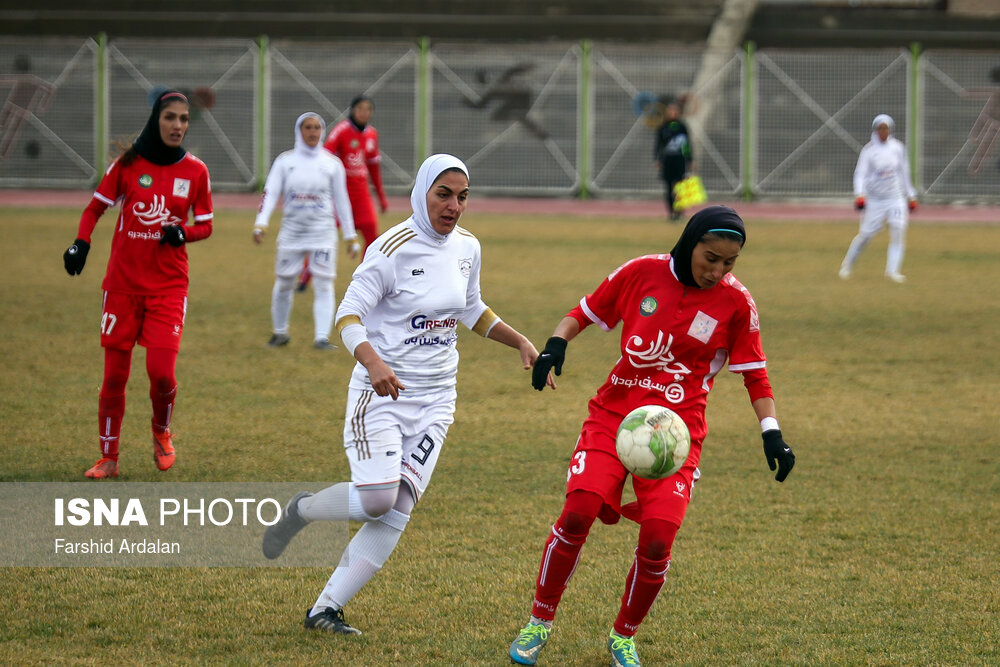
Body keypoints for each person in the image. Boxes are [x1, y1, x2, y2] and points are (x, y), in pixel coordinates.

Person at [261, 154, 549, 635]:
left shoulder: (468, 247)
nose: (454, 206)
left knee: (398, 506)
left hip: (438, 401)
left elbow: (471, 307)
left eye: (462, 197)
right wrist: (373, 363)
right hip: (382, 396)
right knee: (376, 499)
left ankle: (324, 609)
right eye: (443, 194)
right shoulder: (391, 247)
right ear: (421, 193)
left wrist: (519, 340)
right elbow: (348, 316)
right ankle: (304, 509)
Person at [507, 205, 796, 667]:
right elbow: (584, 311)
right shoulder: (642, 272)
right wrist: (556, 343)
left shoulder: (736, 302)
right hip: (613, 416)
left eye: (728, 263)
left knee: (660, 538)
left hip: (677, 434)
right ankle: (539, 620)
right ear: (689, 243)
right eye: (710, 258)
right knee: (578, 510)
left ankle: (623, 635)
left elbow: (755, 375)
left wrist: (772, 433)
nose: (717, 271)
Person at [62, 90, 213, 479]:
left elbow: (207, 224)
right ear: (155, 120)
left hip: (168, 287)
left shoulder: (196, 171)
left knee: (162, 372)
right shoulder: (128, 165)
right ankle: (108, 458)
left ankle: (161, 432)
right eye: (170, 118)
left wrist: (184, 235)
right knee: (115, 376)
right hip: (123, 287)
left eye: (183, 119)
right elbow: (95, 207)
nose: (177, 125)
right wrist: (81, 243)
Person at [253, 112, 360, 349]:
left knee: (323, 284)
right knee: (283, 283)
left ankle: (321, 338)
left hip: (322, 234)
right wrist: (261, 222)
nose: (312, 132)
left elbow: (342, 201)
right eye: (307, 128)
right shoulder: (285, 162)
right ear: (298, 131)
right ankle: (280, 333)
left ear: (322, 131)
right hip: (292, 233)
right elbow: (270, 193)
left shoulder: (332, 164)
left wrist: (350, 236)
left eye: (316, 128)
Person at [296, 96, 388, 291]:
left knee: (372, 236)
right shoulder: (341, 131)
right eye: (360, 108)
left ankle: (365, 278)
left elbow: (373, 168)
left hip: (361, 194)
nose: (364, 112)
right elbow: (324, 157)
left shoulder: (372, 134)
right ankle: (306, 275)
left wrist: (381, 197)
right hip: (340, 194)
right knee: (323, 235)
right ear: (353, 110)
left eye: (368, 109)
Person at [839, 114, 917, 283]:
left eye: (886, 128)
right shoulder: (869, 151)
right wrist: (859, 195)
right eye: (880, 128)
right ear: (875, 130)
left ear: (890, 130)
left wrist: (911, 195)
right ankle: (847, 264)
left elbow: (904, 172)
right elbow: (860, 174)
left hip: (895, 197)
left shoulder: (898, 148)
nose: (883, 132)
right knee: (866, 235)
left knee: (898, 231)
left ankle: (893, 271)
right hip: (875, 199)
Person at [653, 97, 693, 221]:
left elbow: (687, 144)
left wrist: (690, 159)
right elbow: (658, 145)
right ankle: (671, 213)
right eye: (670, 111)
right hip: (668, 160)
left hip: (679, 160)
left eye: (675, 111)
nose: (673, 113)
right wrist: (657, 159)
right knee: (669, 187)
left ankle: (680, 211)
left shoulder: (682, 127)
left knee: (681, 187)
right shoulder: (663, 128)